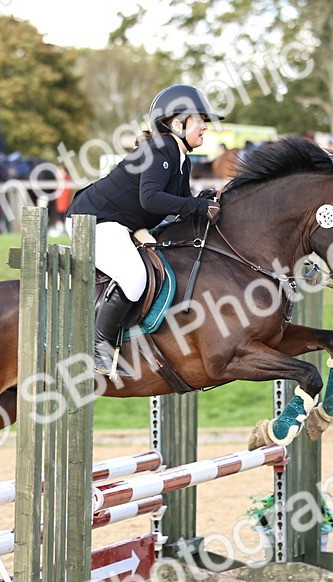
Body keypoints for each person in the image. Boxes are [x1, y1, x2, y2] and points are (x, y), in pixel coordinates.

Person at [67, 84, 224, 376]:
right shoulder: (160, 148)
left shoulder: (182, 159)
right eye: (199, 119)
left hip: (120, 224)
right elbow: (150, 199)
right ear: (177, 123)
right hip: (92, 221)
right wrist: (198, 207)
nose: (205, 127)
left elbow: (179, 205)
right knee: (134, 275)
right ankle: (98, 345)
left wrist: (201, 203)